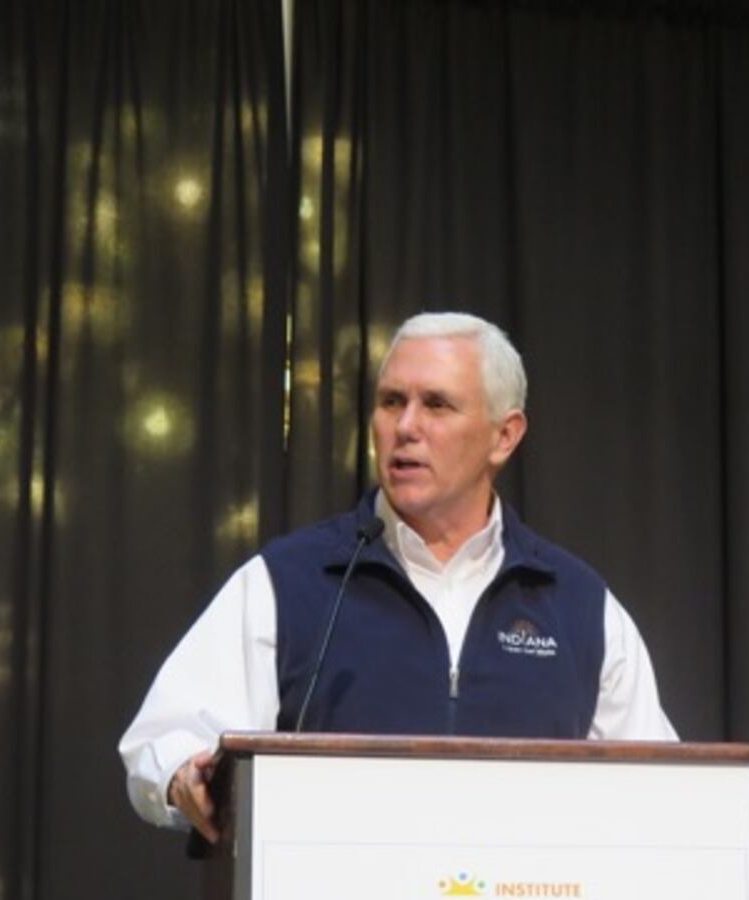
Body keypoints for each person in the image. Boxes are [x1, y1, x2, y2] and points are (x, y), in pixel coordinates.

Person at [118, 311, 676, 842]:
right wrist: (181, 775)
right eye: (391, 402)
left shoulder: (577, 604)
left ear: (504, 436)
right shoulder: (290, 581)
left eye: (436, 404)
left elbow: (663, 791)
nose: (405, 427)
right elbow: (166, 739)